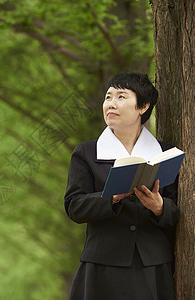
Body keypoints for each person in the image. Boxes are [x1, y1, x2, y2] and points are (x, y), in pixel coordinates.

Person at [64, 72, 179, 300]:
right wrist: (112, 197)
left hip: (152, 265)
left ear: (143, 106)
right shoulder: (87, 152)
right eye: (108, 97)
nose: (111, 104)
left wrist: (159, 207)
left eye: (121, 97)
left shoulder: (165, 154)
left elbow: (178, 211)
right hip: (102, 266)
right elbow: (74, 207)